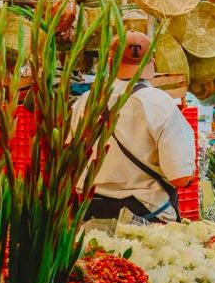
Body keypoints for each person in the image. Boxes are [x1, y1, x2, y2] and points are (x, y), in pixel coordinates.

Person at [73, 31, 196, 223]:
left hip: (90, 217)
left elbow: (69, 160)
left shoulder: (84, 102)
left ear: (110, 62)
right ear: (152, 63)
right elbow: (180, 177)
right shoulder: (160, 104)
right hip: (146, 219)